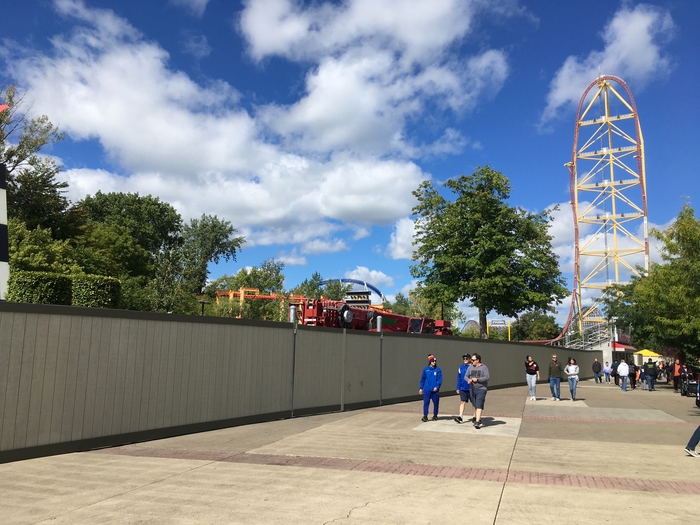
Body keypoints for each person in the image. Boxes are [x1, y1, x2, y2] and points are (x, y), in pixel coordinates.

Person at [466, 354, 489, 428]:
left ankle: (477, 421)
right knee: (475, 404)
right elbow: (466, 376)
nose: (471, 361)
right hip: (472, 388)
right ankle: (478, 419)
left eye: (473, 360)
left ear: (477, 360)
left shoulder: (484, 367)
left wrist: (478, 379)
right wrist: (468, 380)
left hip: (481, 388)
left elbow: (487, 377)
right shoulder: (470, 367)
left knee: (479, 404)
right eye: (471, 360)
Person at [419, 355, 442, 422]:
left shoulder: (438, 370)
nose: (434, 362)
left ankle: (435, 415)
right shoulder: (426, 369)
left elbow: (439, 379)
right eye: (433, 361)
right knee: (426, 402)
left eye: (435, 361)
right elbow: (422, 379)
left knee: (436, 403)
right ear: (430, 362)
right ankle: (425, 415)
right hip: (427, 389)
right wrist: (421, 388)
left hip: (435, 390)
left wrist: (437, 386)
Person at [454, 354, 472, 423]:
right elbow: (459, 378)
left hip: (471, 388)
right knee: (462, 401)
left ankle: (474, 416)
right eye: (464, 358)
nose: (465, 359)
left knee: (474, 403)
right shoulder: (461, 367)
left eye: (466, 358)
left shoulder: (473, 367)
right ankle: (460, 416)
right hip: (463, 388)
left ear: (470, 359)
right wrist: (458, 387)